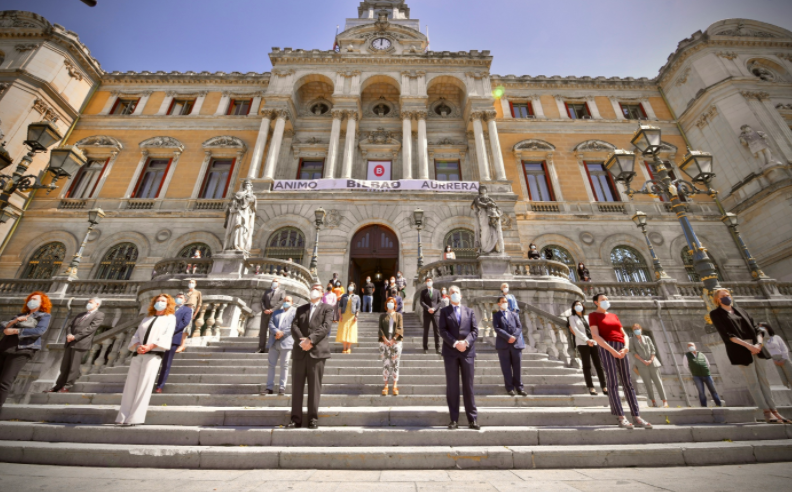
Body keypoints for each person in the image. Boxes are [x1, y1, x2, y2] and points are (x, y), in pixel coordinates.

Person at [710, 288, 789, 424]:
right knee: (753, 382)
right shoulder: (716, 314)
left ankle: (775, 411)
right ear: (717, 299)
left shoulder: (741, 310)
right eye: (723, 296)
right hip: (741, 349)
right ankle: (766, 412)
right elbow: (728, 335)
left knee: (764, 380)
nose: (727, 297)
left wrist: (758, 344)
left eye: (728, 295)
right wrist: (748, 346)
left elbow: (757, 329)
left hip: (757, 347)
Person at [589, 293, 652, 429]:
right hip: (607, 347)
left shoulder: (613, 316)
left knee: (628, 382)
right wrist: (612, 351)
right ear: (596, 303)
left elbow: (624, 334)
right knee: (612, 382)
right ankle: (621, 417)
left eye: (607, 299)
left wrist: (626, 348)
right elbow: (595, 335)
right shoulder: (593, 316)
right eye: (602, 300)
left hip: (622, 347)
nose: (606, 301)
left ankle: (637, 416)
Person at [116, 294, 176, 426]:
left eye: (162, 301)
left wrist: (150, 346)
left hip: (153, 354)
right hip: (139, 353)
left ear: (168, 304)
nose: (159, 303)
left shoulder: (170, 318)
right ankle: (122, 416)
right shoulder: (147, 317)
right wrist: (138, 346)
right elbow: (136, 335)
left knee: (144, 385)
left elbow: (167, 336)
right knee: (130, 385)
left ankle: (135, 418)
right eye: (157, 300)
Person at [287, 282, 333, 429]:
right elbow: (294, 326)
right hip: (300, 352)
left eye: (318, 289)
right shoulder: (301, 309)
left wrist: (311, 340)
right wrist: (302, 341)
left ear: (322, 294)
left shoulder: (327, 308)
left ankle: (312, 418)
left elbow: (326, 326)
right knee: (297, 387)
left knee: (314, 387)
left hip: (317, 352)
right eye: (313, 288)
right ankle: (296, 419)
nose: (314, 291)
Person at [438, 285, 480, 430]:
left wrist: (466, 342)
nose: (454, 294)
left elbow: (475, 331)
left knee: (468, 386)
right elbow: (442, 330)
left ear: (460, 296)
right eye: (452, 293)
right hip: (451, 352)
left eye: (456, 292)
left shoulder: (470, 311)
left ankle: (472, 419)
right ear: (448, 296)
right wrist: (455, 343)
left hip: (467, 352)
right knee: (452, 387)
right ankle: (454, 419)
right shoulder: (444, 312)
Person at [0, 292, 52, 408]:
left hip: (22, 350)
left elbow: (39, 331)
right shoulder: (19, 315)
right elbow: (2, 326)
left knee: (5, 381)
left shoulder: (44, 316)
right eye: (30, 299)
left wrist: (16, 331)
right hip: (4, 347)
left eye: (34, 299)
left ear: (42, 303)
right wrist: (14, 321)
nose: (31, 301)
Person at [47, 297, 104, 393]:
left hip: (81, 343)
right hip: (70, 342)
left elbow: (91, 328)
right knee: (64, 366)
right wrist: (69, 334)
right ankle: (58, 385)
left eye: (90, 302)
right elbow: (69, 325)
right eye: (88, 302)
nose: (88, 304)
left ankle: (67, 386)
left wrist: (76, 336)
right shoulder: (80, 314)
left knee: (74, 367)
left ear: (97, 304)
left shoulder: (99, 315)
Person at [155, 293, 193, 393]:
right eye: (177, 297)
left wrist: (170, 331)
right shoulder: (168, 308)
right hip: (158, 338)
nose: (178, 299)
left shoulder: (187, 310)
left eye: (181, 298)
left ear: (185, 300)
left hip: (173, 338)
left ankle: (160, 386)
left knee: (166, 363)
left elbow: (184, 323)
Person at [567, 300, 607, 396]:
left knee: (599, 365)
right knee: (587, 366)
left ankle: (604, 386)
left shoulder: (587, 317)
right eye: (576, 305)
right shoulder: (572, 318)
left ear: (583, 306)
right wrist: (586, 340)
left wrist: (594, 339)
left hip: (594, 342)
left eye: (580, 304)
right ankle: (591, 387)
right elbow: (575, 330)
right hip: (582, 343)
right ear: (573, 307)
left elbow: (594, 328)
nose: (578, 306)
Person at [493, 296, 527, 396]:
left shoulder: (514, 314)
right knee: (506, 368)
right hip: (503, 345)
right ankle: (509, 388)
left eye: (506, 302)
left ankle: (519, 387)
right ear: (499, 304)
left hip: (516, 344)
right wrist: (508, 337)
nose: (505, 303)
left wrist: (514, 336)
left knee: (517, 367)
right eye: (503, 302)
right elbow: (497, 328)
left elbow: (519, 326)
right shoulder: (496, 315)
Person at [264, 296, 296, 396]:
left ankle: (282, 387)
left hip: (286, 342)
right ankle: (269, 387)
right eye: (285, 300)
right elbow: (270, 323)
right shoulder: (277, 312)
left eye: (288, 301)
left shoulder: (295, 312)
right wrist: (276, 331)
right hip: (274, 341)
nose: (286, 302)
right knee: (271, 365)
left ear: (292, 302)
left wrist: (282, 333)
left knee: (284, 366)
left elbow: (294, 325)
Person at [631, 324, 669, 408]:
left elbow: (653, 349)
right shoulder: (632, 340)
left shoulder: (647, 338)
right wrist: (643, 361)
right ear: (633, 330)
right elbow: (633, 352)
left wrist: (650, 360)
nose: (636, 330)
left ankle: (664, 401)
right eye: (634, 329)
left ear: (641, 329)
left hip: (653, 363)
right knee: (647, 383)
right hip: (641, 364)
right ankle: (653, 401)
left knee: (658, 382)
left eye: (638, 328)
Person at [680, 342, 723, 407]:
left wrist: (705, 370)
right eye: (689, 346)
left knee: (713, 390)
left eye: (691, 345)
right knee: (701, 392)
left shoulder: (701, 354)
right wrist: (693, 372)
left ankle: (718, 404)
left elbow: (707, 364)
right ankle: (704, 406)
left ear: (695, 346)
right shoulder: (687, 355)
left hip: (707, 375)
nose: (690, 347)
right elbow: (685, 365)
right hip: (696, 376)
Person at [379, 297, 404, 396]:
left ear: (395, 304)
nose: (390, 304)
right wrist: (385, 339)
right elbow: (380, 328)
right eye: (388, 302)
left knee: (395, 364)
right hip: (384, 342)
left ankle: (394, 385)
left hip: (396, 342)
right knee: (386, 363)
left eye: (392, 302)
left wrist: (393, 339)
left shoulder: (398, 315)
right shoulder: (382, 316)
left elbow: (400, 328)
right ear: (386, 304)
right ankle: (386, 385)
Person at [759, 322, 792, 389]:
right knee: (782, 379)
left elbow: (784, 348)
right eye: (759, 328)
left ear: (767, 328)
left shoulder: (776, 337)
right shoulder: (760, 341)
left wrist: (783, 359)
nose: (761, 329)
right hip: (773, 361)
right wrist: (772, 361)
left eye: (763, 327)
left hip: (783, 358)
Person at [257, 280, 285, 354]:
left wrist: (272, 310)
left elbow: (281, 302)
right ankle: (261, 348)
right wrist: (264, 309)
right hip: (265, 313)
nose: (274, 282)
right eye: (273, 281)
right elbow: (262, 301)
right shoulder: (267, 291)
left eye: (276, 281)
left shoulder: (282, 292)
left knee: (272, 331)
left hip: (275, 314)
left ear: (279, 284)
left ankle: (270, 347)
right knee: (262, 331)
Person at [175, 279, 202, 353]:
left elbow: (199, 304)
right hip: (182, 308)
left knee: (186, 326)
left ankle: (182, 345)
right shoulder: (185, 292)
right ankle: (177, 343)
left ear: (195, 284)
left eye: (192, 282)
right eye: (190, 282)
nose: (191, 283)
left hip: (190, 309)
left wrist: (195, 314)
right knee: (178, 325)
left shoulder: (197, 292)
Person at [420, 277, 442, 355]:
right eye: (427, 281)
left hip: (436, 313)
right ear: (426, 282)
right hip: (426, 313)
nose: (429, 282)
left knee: (437, 331)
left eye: (430, 281)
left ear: (432, 282)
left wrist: (434, 308)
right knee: (426, 331)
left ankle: (438, 348)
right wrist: (428, 308)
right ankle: (425, 347)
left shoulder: (437, 291)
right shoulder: (423, 292)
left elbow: (439, 302)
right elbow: (422, 302)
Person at [336, 282, 360, 354]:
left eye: (352, 286)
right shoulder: (344, 296)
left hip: (352, 315)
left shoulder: (357, 297)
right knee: (344, 330)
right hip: (344, 315)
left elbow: (358, 308)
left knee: (350, 331)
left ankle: (349, 348)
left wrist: (356, 316)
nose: (350, 287)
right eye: (349, 286)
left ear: (354, 288)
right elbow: (340, 306)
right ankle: (344, 347)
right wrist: (340, 315)